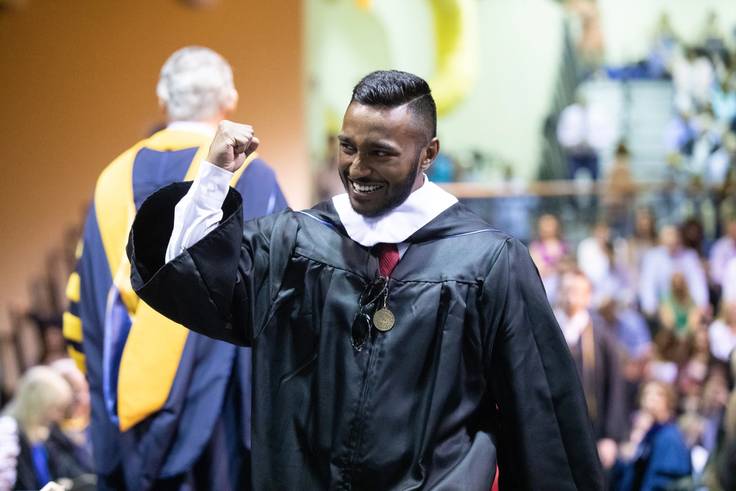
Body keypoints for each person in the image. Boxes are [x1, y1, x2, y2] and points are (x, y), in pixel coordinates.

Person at [127, 70, 603, 489]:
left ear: (427, 154)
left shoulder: (487, 262)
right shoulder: (295, 244)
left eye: (381, 153)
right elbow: (189, 278)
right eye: (348, 147)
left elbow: (540, 417)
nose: (358, 169)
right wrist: (213, 177)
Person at [62, 46, 287, 490]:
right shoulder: (252, 176)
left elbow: (81, 302)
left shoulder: (111, 178)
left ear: (162, 100)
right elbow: (278, 298)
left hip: (123, 412)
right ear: (230, 100)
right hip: (217, 420)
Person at [553, 270, 628, 471]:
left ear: (588, 296)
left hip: (593, 428)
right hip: (554, 429)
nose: (571, 296)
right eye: (567, 289)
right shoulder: (549, 330)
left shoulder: (601, 334)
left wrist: (610, 436)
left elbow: (615, 386)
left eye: (578, 290)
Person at [0, 366, 92, 490]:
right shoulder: (8, 432)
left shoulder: (41, 434)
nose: (58, 416)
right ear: (40, 405)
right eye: (56, 409)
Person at [611, 381, 692, 491]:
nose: (651, 398)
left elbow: (663, 481)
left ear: (668, 400)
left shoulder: (670, 437)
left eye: (658, 394)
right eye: (646, 393)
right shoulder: (646, 434)